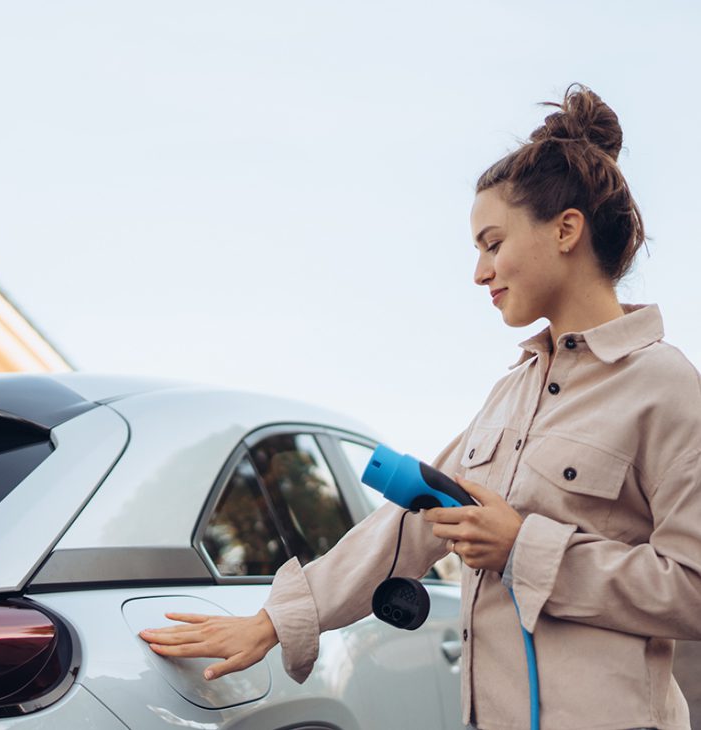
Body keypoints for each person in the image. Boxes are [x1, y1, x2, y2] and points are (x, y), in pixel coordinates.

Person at [139, 84, 701, 730]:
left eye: (492, 243)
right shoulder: (509, 394)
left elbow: (692, 586)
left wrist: (526, 549)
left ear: (566, 230)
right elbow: (408, 526)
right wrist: (275, 621)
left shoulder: (663, 384)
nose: (479, 272)